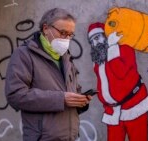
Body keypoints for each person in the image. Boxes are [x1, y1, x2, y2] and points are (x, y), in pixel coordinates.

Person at [5, 8, 92, 141]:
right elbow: (15, 95)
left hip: (70, 137)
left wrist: (80, 100)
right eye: (63, 33)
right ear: (46, 28)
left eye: (70, 35)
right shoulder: (24, 55)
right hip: (42, 138)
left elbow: (70, 91)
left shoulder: (65, 57)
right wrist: (61, 99)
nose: (66, 39)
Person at [88, 22, 148, 141]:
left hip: (134, 106)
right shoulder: (98, 60)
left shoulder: (124, 49)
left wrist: (112, 48)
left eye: (97, 37)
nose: (95, 43)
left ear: (106, 35)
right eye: (92, 41)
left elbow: (121, 72)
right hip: (112, 111)